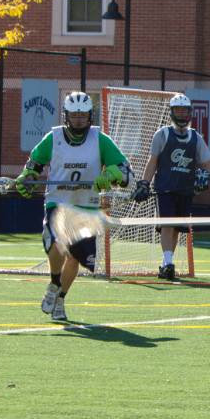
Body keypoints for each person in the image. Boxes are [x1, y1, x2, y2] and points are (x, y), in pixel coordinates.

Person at [15, 91, 132, 321]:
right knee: (57, 243)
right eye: (74, 115)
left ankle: (60, 298)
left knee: (75, 257)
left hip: (86, 207)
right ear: (65, 115)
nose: (78, 119)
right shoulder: (54, 138)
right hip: (58, 202)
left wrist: (111, 174)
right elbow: (34, 165)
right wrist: (27, 177)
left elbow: (127, 173)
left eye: (83, 115)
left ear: (90, 115)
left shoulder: (100, 140)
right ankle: (54, 282)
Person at [131, 94, 210, 280]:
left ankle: (166, 262)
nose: (182, 114)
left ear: (189, 113)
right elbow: (153, 161)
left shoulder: (195, 137)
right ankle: (168, 263)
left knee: (176, 227)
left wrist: (204, 177)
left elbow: (206, 163)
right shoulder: (162, 134)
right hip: (165, 189)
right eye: (178, 110)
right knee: (167, 224)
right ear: (171, 112)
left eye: (184, 110)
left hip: (185, 190)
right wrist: (145, 182)